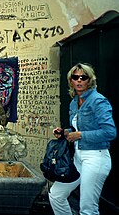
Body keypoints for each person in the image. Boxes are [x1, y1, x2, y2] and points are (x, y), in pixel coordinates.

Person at [49, 63, 117, 215]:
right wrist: (65, 132)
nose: (79, 81)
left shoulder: (98, 101)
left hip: (96, 157)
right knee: (56, 195)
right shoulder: (75, 102)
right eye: (75, 77)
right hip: (78, 158)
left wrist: (79, 135)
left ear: (89, 80)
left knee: (88, 208)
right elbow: (77, 128)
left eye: (83, 77)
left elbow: (110, 132)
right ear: (71, 81)